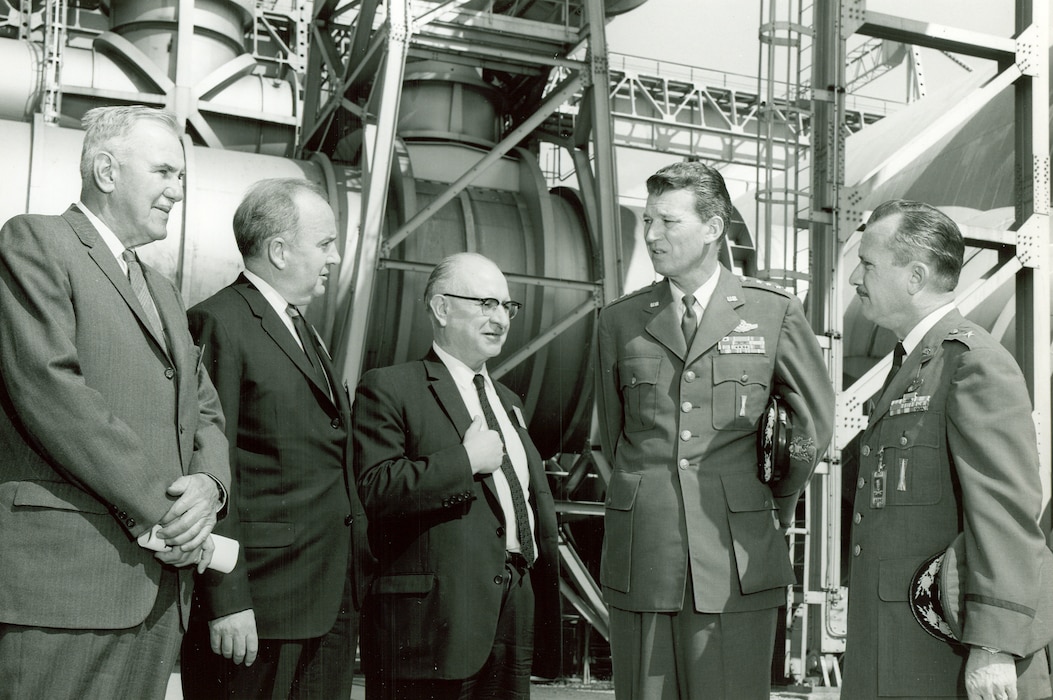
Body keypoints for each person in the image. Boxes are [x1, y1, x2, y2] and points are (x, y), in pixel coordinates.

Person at [0, 105, 230, 699]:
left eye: (181, 178)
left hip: (157, 595)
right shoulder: (36, 241)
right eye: (164, 172)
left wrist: (210, 488)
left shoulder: (163, 289)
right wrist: (169, 514)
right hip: (68, 586)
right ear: (106, 170)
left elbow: (203, 409)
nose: (177, 192)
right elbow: (50, 389)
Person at [595, 160, 834, 699]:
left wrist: (760, 504)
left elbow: (809, 431)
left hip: (736, 558)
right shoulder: (619, 321)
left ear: (713, 228)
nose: (651, 234)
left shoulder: (773, 314)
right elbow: (615, 438)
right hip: (645, 558)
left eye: (668, 222)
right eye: (648, 221)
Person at [842, 199, 1053, 700]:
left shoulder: (972, 363)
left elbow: (1004, 514)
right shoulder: (914, 364)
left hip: (942, 652)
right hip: (890, 644)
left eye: (868, 263)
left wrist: (996, 646)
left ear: (914, 277)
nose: (855, 276)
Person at [179, 178, 371, 699]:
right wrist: (226, 598)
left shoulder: (302, 329)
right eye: (326, 243)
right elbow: (210, 467)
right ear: (280, 250)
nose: (334, 257)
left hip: (324, 603)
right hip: (257, 610)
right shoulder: (220, 323)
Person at [352, 252, 559, 700]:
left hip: (510, 613)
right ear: (442, 308)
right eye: (486, 304)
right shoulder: (391, 387)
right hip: (432, 625)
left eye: (507, 306)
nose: (501, 319)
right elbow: (375, 489)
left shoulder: (508, 401)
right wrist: (464, 462)